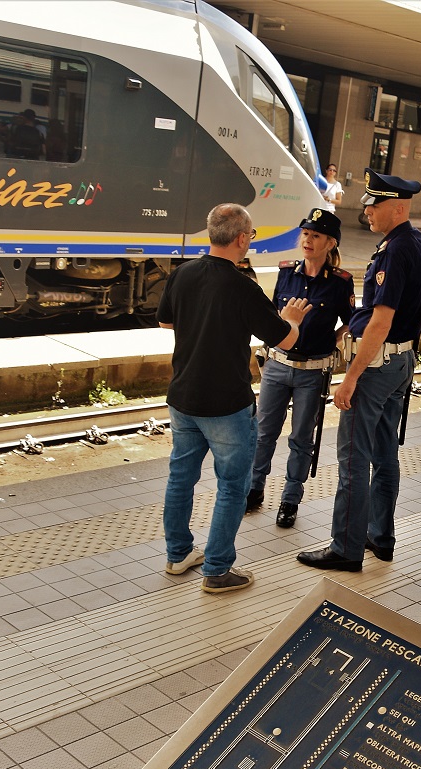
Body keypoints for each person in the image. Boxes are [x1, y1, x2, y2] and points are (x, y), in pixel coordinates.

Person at [158, 204, 310, 593]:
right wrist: (292, 317)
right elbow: (287, 340)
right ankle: (218, 570)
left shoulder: (182, 274)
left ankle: (178, 555)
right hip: (226, 404)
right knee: (232, 485)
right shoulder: (244, 287)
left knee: (181, 477)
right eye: (252, 236)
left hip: (183, 397)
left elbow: (166, 321)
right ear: (242, 239)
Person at [298, 169, 421, 573]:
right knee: (384, 452)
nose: (367, 213)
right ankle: (380, 536)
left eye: (374, 206)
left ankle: (346, 547)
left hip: (377, 364)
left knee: (354, 458)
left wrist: (352, 375)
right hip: (401, 361)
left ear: (396, 207)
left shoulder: (394, 250)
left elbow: (381, 320)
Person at [247, 209, 354, 527]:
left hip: (312, 371)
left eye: (316, 235)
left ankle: (290, 500)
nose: (308, 240)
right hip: (278, 366)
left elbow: (352, 323)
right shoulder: (286, 272)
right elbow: (275, 315)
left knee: (301, 438)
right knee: (263, 432)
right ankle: (253, 490)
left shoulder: (339, 283)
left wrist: (334, 340)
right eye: (305, 234)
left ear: (330, 243)